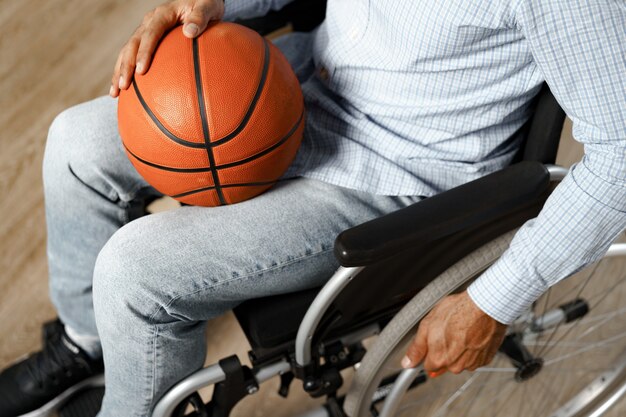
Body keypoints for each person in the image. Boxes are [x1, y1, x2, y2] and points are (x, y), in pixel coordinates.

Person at [1, 0, 624, 416]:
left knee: (135, 271)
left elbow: (620, 158)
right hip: (296, 85)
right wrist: (219, 5)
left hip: (393, 171)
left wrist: (496, 297)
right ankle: (87, 345)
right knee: (75, 144)